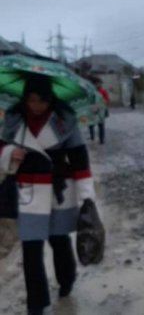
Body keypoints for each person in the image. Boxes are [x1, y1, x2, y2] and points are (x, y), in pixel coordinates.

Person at [0, 73, 96, 315]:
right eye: (31, 100)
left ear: (50, 99)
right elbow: (0, 145)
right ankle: (37, 304)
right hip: (28, 191)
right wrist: (10, 152)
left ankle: (67, 280)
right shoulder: (13, 119)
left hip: (58, 190)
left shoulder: (66, 120)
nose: (35, 106)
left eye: (41, 100)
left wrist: (87, 197)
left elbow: (79, 159)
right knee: (31, 250)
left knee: (59, 241)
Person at [89, 78, 109, 144]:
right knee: (91, 124)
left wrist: (100, 106)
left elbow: (106, 100)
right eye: (96, 83)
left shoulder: (103, 91)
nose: (98, 84)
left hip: (101, 110)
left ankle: (101, 140)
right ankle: (92, 136)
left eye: (99, 83)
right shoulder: (91, 91)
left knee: (101, 125)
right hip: (92, 109)